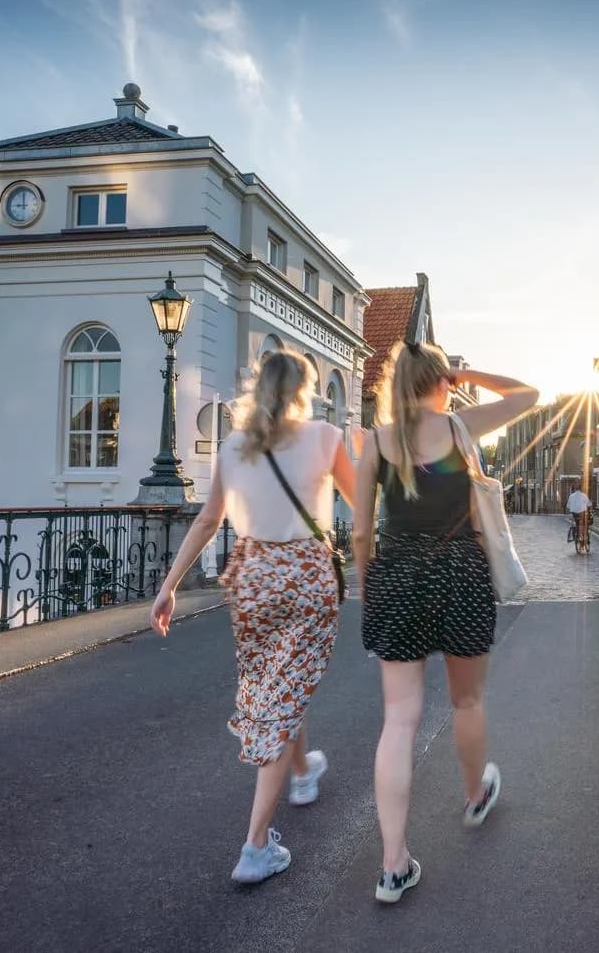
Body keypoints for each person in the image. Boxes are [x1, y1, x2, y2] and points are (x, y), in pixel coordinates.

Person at [150, 350, 356, 885]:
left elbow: (207, 521)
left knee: (276, 683)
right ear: (304, 390)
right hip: (306, 577)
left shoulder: (234, 447)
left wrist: (168, 587)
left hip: (253, 578)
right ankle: (256, 846)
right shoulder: (325, 438)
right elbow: (364, 506)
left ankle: (303, 772)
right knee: (284, 691)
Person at [352, 340, 538, 904]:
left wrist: (369, 587)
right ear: (441, 381)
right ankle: (475, 795)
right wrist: (468, 373)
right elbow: (528, 394)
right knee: (467, 700)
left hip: (398, 574)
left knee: (399, 719)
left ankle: (393, 865)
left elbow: (360, 532)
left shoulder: (377, 442)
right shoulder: (460, 427)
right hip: (461, 571)